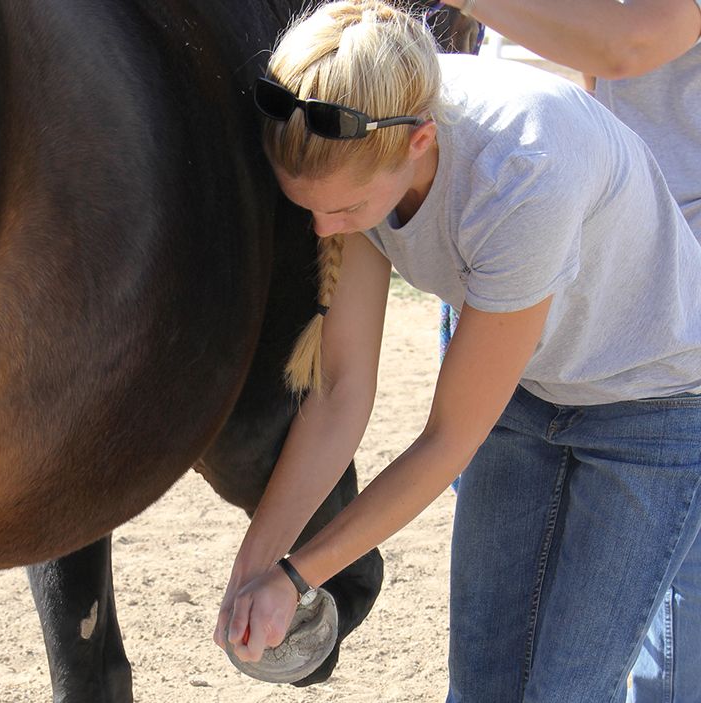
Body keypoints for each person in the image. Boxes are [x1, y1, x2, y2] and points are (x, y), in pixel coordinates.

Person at [213, 2, 701, 700]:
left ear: (418, 142)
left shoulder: (523, 169)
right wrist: (253, 565)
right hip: (530, 392)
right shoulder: (356, 132)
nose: (327, 226)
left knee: (564, 689)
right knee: (482, 686)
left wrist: (298, 576)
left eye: (347, 211)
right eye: (310, 208)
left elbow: (445, 441)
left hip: (651, 407)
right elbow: (341, 392)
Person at [435, 2, 701, 699]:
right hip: (536, 288)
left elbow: (631, 43)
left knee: (664, 658)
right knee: (497, 662)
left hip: (665, 330)